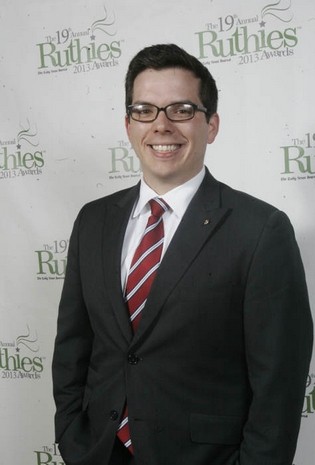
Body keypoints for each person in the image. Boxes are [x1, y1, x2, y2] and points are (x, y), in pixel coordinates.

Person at [52, 43, 313, 465]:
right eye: (145, 110)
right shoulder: (93, 221)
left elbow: (279, 385)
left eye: (182, 109)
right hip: (99, 451)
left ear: (211, 125)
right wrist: (71, 434)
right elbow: (72, 347)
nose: (162, 125)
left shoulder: (260, 230)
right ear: (128, 124)